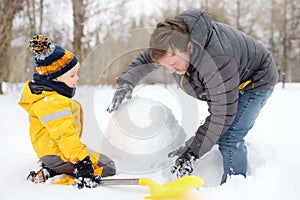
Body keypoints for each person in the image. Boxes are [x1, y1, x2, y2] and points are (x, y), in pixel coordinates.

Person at [106, 9, 278, 184]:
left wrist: (192, 151)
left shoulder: (217, 60)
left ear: (190, 47)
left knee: (230, 136)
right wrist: (126, 82)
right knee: (220, 129)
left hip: (255, 80)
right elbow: (145, 59)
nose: (171, 70)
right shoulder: (173, 41)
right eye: (166, 66)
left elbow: (222, 115)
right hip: (229, 80)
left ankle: (236, 188)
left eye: (173, 64)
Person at [19, 35, 116, 189]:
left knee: (95, 158)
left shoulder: (48, 96)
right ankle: (63, 174)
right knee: (108, 166)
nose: (77, 78)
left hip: (52, 150)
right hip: (57, 153)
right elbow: (65, 135)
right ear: (55, 79)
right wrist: (82, 162)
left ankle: (51, 168)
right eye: (72, 75)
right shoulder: (53, 102)